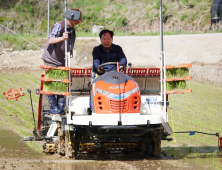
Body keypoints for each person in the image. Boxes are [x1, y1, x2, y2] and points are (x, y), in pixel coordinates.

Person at [42, 9, 83, 115]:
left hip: (63, 60)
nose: (78, 23)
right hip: (52, 59)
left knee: (61, 84)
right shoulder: (59, 25)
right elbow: (51, 40)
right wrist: (62, 38)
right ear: (71, 19)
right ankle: (53, 108)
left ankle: (61, 109)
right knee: (52, 84)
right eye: (77, 21)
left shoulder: (72, 29)